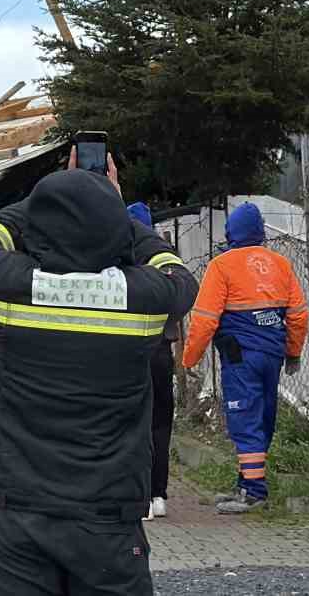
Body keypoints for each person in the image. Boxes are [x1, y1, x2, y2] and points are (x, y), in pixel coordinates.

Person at [0, 149, 197, 596]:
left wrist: (43, 199)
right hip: (107, 519)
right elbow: (176, 271)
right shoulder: (140, 299)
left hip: (22, 515)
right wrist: (111, 202)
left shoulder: (12, 292)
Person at [180, 202, 308, 514]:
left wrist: (189, 358)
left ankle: (253, 492)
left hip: (240, 355)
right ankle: (246, 483)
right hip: (273, 354)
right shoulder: (281, 265)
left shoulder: (222, 266)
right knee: (263, 417)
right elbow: (299, 316)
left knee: (244, 417)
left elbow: (205, 318)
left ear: (231, 233)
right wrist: (293, 352)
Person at [127, 201, 177, 522]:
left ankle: (141, 495)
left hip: (131, 353)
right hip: (162, 351)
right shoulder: (164, 261)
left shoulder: (119, 262)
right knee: (161, 424)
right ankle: (159, 495)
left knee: (135, 425)